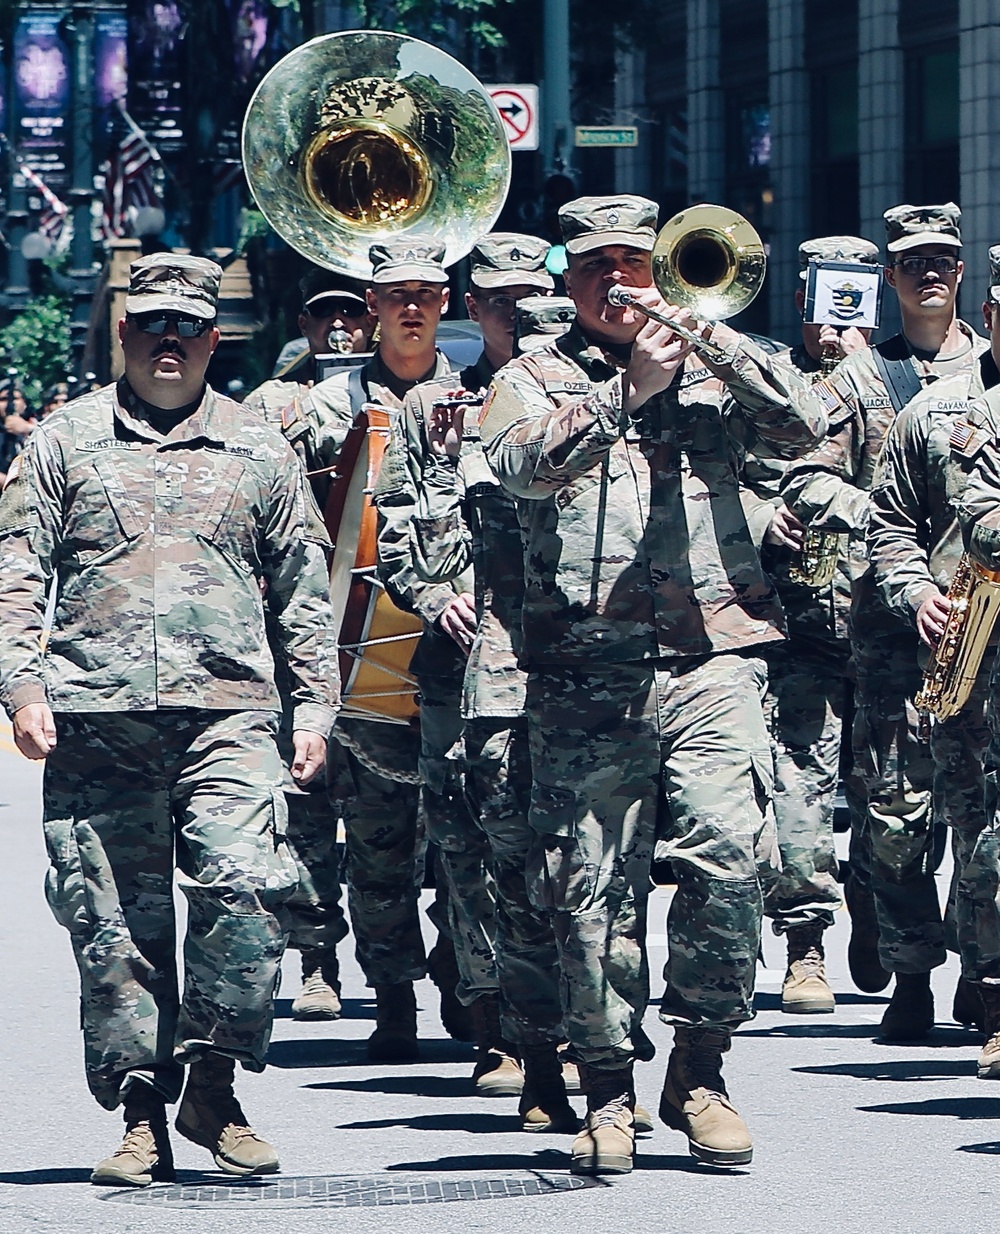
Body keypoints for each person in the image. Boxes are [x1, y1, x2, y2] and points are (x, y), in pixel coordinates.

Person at [482, 195, 827, 1174]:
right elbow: (518, 467)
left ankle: (700, 1069)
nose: (618, 281)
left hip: (713, 657)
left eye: (636, 262)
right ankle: (606, 1089)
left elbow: (806, 423)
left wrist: (711, 341)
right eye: (597, 266)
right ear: (570, 279)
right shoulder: (531, 378)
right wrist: (625, 393)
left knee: (727, 870)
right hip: (586, 672)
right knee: (590, 894)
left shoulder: (713, 362)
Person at [0, 254, 339, 1187]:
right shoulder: (66, 439)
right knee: (113, 928)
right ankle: (141, 1112)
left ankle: (214, 1087)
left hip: (231, 715)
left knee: (249, 892)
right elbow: (17, 568)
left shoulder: (259, 446)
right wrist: (21, 689)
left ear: (212, 340)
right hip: (97, 719)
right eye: (152, 325)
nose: (169, 342)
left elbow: (304, 590)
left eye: (189, 327)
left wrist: (315, 707)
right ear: (125, 333)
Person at [781, 203, 989, 1041]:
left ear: (963, 271)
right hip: (893, 633)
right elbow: (805, 477)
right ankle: (910, 973)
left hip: (986, 635)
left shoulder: (991, 369)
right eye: (912, 263)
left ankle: (983, 973)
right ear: (889, 279)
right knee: (898, 813)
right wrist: (880, 514)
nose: (929, 272)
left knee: (981, 812)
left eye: (943, 258)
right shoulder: (862, 380)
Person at [375, 234, 562, 1104]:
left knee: (567, 848)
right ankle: (495, 1026)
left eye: (531, 297)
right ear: (474, 307)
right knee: (467, 846)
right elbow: (399, 529)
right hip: (463, 665)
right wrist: (433, 589)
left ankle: (569, 1024)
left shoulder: (591, 395)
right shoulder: (434, 410)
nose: (516, 314)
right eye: (500, 301)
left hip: (566, 661)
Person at [283, 237, 464, 1060]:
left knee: (471, 844)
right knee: (382, 846)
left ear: (446, 300)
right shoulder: (319, 407)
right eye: (397, 295)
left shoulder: (483, 397)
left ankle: (475, 993)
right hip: (363, 654)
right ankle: (392, 994)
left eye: (428, 292)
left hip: (460, 655)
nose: (413, 307)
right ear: (372, 306)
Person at [868, 244, 1000, 1054]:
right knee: (978, 833)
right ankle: (990, 992)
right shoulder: (939, 412)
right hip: (971, 660)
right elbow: (889, 527)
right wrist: (915, 591)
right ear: (990, 317)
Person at [744, 235, 879, 1015]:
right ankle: (805, 944)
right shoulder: (772, 388)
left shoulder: (902, 381)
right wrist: (767, 516)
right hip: (801, 621)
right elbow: (724, 479)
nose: (833, 330)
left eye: (849, 307)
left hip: (893, 621)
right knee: (800, 778)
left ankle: (879, 906)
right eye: (822, 309)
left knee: (894, 787)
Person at [243, 266, 376, 1023]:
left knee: (404, 800)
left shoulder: (407, 391)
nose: (339, 328)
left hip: (387, 614)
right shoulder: (275, 401)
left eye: (352, 316)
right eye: (325, 315)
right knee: (309, 793)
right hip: (307, 614)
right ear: (303, 323)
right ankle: (319, 958)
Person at [245, 269, 376, 422]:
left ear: (370, 323)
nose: (337, 322)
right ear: (303, 324)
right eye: (322, 309)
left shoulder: (398, 393)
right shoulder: (266, 400)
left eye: (351, 309)